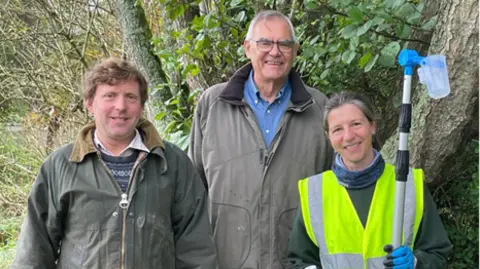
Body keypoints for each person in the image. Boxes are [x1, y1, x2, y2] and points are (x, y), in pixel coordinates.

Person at [11, 57, 216, 269]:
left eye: (130, 97)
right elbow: (33, 251)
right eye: (110, 96)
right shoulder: (61, 166)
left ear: (141, 106)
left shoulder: (173, 164)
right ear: (89, 103)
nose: (121, 106)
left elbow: (196, 248)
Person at [189, 10, 333, 269]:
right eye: (265, 42)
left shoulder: (319, 108)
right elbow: (192, 193)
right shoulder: (213, 105)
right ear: (247, 48)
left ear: (295, 50)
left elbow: (339, 192)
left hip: (298, 262)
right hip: (225, 260)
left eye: (284, 44)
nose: (275, 52)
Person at [286, 91, 452, 269]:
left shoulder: (409, 185)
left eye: (356, 124)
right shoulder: (314, 192)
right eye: (337, 129)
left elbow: (438, 253)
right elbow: (300, 260)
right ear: (329, 136)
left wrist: (416, 264)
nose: (348, 136)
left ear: (372, 126)